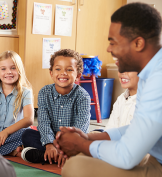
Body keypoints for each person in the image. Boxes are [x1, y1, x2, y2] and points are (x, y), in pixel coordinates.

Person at [54, 3, 162, 177]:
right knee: (82, 156)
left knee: (76, 167)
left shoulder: (158, 80)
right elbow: (136, 128)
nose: (108, 49)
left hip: (154, 163)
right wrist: (88, 138)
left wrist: (80, 144)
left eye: (113, 43)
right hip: (152, 156)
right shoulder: (148, 74)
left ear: (138, 43)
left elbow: (127, 156)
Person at [21, 49, 91, 168]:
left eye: (69, 70)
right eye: (58, 69)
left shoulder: (83, 96)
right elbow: (43, 122)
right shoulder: (44, 92)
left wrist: (66, 148)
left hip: (73, 142)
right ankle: (58, 156)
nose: (63, 73)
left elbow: (80, 128)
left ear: (78, 75)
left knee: (96, 138)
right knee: (27, 134)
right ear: (51, 73)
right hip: (50, 139)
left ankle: (45, 157)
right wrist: (49, 144)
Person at [0, 51, 34, 157]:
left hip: (14, 132)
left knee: (27, 133)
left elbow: (29, 119)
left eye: (13, 68)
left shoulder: (25, 92)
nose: (8, 72)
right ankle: (11, 151)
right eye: (3, 69)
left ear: (19, 70)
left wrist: (6, 132)